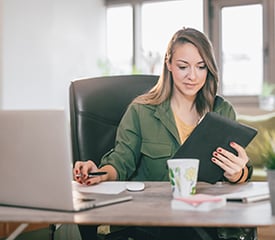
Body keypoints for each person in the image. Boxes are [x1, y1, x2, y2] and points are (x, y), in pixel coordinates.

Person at [73, 27, 255, 240]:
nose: (192, 76)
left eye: (201, 66)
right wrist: (98, 173)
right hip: (151, 222)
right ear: (168, 64)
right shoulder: (141, 111)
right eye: (183, 66)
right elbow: (121, 162)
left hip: (205, 220)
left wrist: (238, 173)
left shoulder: (222, 111)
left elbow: (239, 171)